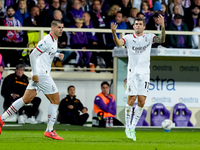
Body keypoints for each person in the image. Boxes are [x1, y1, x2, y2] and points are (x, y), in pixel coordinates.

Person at [0, 20, 65, 140]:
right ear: (53, 27)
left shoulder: (54, 40)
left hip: (40, 74)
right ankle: (49, 130)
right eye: (59, 27)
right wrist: (35, 74)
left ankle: (1, 119)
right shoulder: (46, 39)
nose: (61, 29)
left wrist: (57, 55)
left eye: (62, 27)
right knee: (55, 100)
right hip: (41, 74)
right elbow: (33, 55)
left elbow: (47, 52)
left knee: (26, 99)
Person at [111, 15, 165, 140]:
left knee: (142, 101)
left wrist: (162, 26)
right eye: (136, 24)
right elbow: (119, 43)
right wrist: (114, 33)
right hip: (133, 73)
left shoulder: (149, 37)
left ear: (144, 26)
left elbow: (161, 39)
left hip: (145, 73)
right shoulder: (128, 38)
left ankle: (132, 128)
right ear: (133, 26)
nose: (138, 26)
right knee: (132, 98)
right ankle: (127, 126)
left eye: (140, 24)